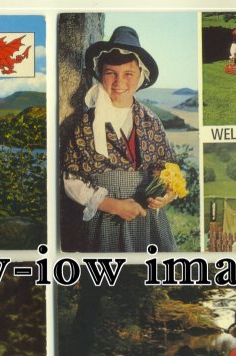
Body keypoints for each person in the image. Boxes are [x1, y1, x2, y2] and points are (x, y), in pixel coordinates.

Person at [62, 26, 179, 252]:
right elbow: (71, 179)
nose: (119, 81)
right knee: (109, 282)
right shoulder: (87, 123)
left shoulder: (151, 121)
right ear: (100, 74)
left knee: (149, 280)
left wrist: (165, 196)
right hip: (106, 220)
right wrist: (112, 205)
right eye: (111, 73)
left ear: (140, 77)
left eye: (128, 74)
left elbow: (168, 170)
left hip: (147, 221)